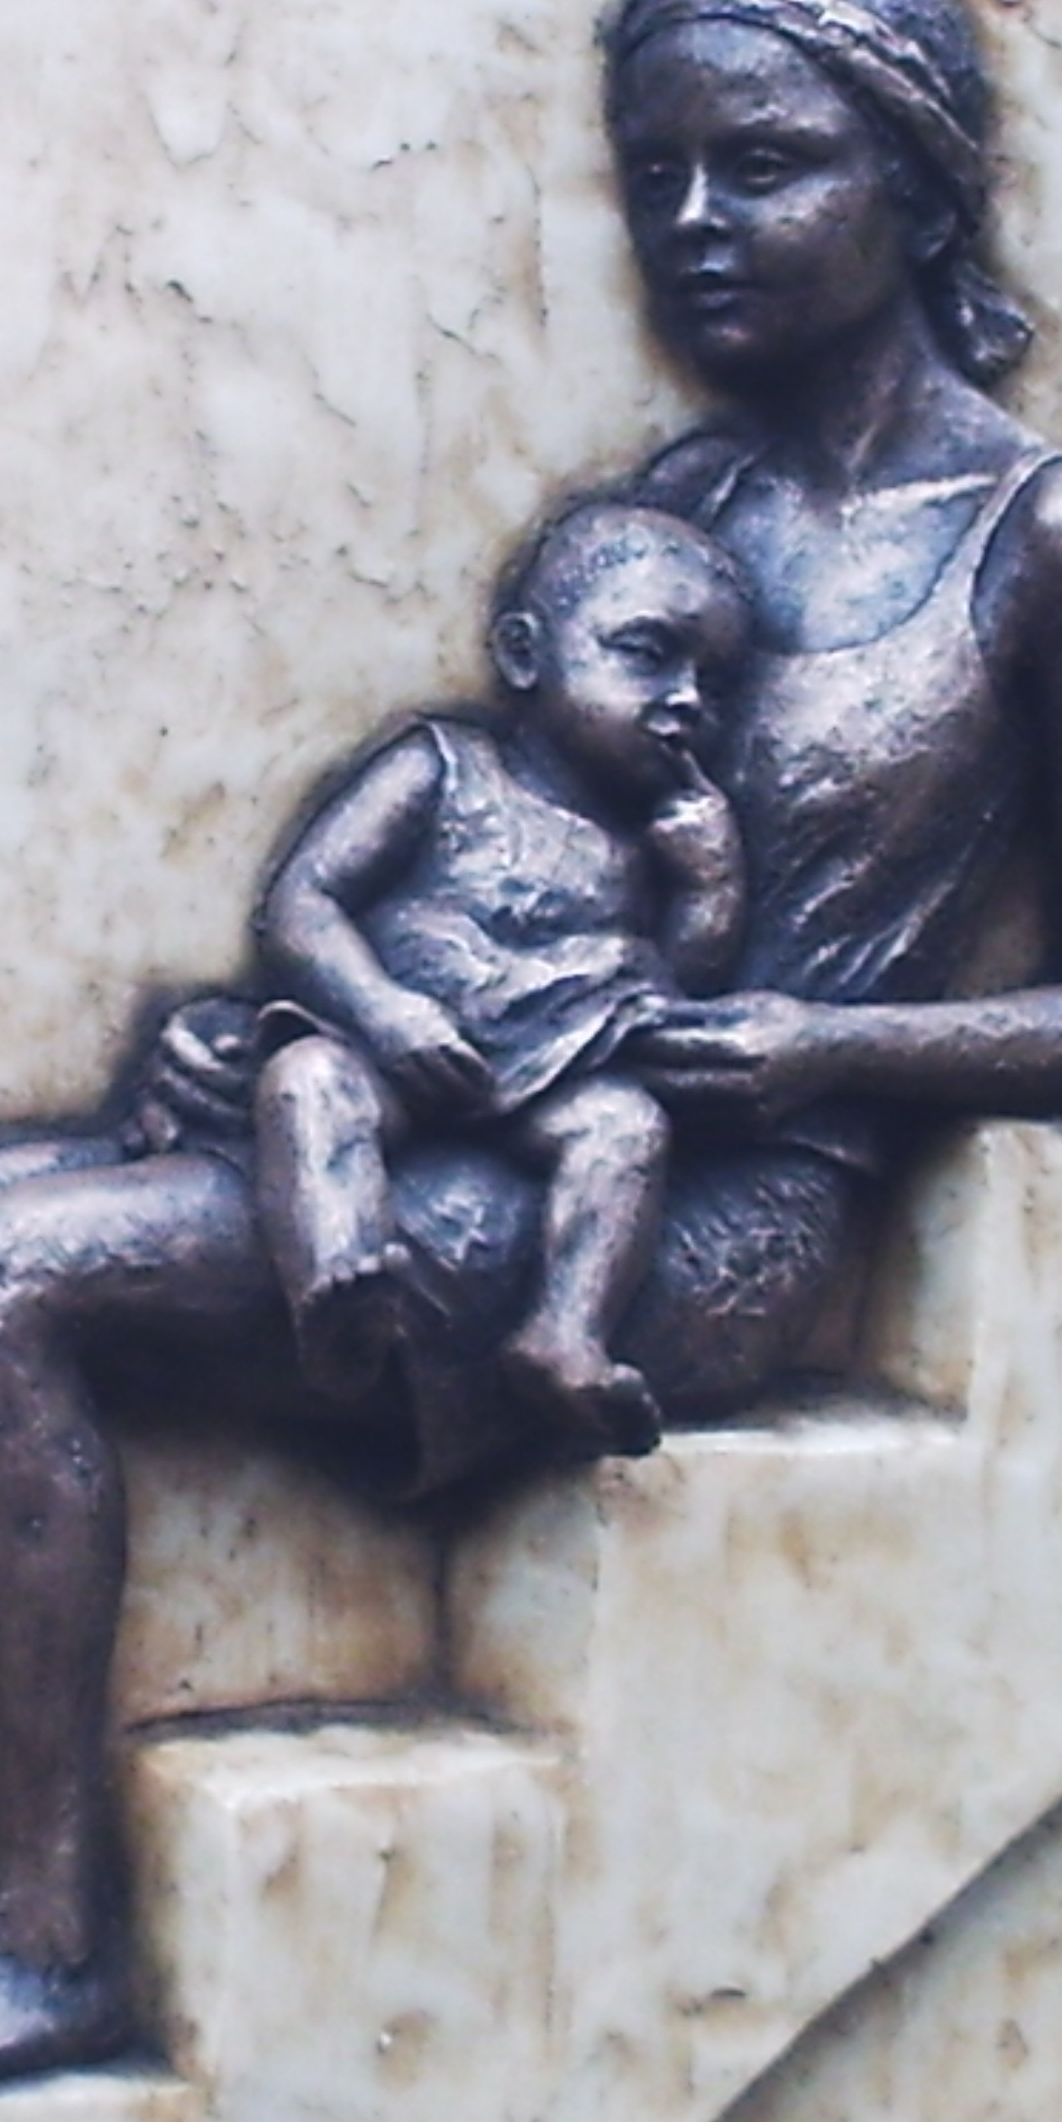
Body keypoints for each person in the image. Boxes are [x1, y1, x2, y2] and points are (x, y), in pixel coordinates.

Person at [0, 0, 1062, 2106]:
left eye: (761, 162)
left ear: (916, 179)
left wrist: (827, 1052)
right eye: (654, 170)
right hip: (491, 1104)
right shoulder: (675, 510)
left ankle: (32, 1941)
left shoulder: (1043, 542)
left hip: (698, 1209)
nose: (693, 221)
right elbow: (515, 860)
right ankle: (19, 1915)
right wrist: (254, 1039)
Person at [249, 503, 752, 1456]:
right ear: (525, 654)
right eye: (648, 654)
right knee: (307, 1082)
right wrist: (383, 1013)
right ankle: (340, 1280)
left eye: (713, 684)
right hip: (396, 1050)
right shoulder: (440, 767)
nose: (687, 700)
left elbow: (670, 996)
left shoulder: (643, 842)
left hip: (543, 1076)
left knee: (625, 1127)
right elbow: (303, 901)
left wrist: (711, 886)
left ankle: (563, 1334)